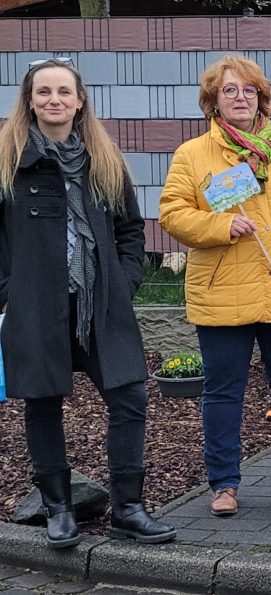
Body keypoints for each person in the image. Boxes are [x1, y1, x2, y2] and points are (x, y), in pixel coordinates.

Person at [0, 58, 175, 548]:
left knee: (130, 397)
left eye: (63, 92)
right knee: (42, 404)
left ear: (79, 101)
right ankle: (59, 510)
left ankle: (128, 509)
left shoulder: (105, 160)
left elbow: (129, 232)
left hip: (100, 307)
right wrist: (9, 294)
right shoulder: (8, 163)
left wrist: (124, 284)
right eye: (43, 92)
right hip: (36, 309)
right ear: (29, 101)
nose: (54, 100)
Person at [158, 55, 271, 517]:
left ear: (262, 96)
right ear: (213, 100)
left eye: (249, 90)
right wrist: (221, 226)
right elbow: (173, 214)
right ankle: (223, 484)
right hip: (222, 292)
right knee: (223, 392)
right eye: (229, 91)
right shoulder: (193, 154)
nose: (241, 98)